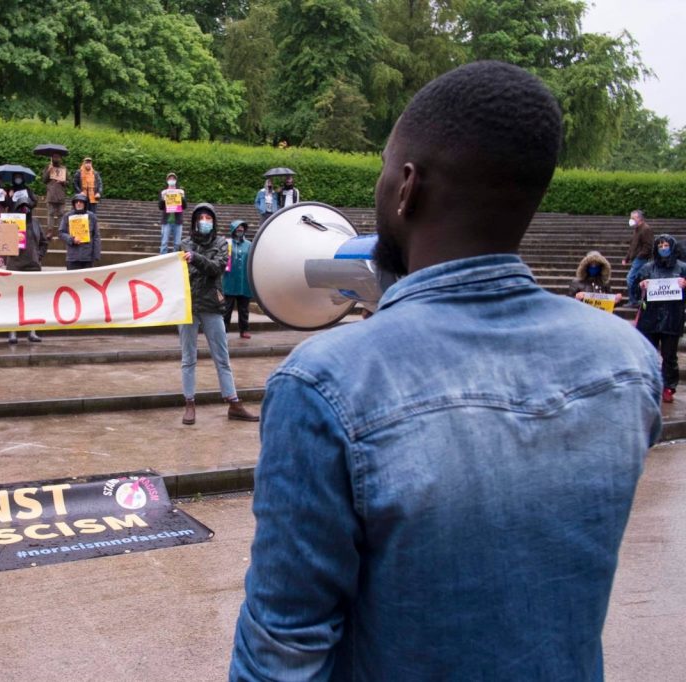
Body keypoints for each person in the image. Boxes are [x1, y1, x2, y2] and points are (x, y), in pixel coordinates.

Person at [231, 61, 662, 680]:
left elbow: (284, 654)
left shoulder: (324, 384)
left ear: (406, 187)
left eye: (384, 169)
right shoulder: (629, 359)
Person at [179, 204, 259, 426]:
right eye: (201, 217)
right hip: (188, 306)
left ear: (213, 221)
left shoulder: (222, 243)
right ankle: (189, 402)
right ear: (194, 221)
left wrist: (196, 258)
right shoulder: (185, 243)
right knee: (188, 357)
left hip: (212, 304)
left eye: (208, 217)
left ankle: (233, 402)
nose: (204, 221)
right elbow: (184, 272)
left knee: (221, 356)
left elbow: (217, 268)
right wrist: (197, 262)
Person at [636, 234, 686, 404]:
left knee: (669, 356)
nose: (663, 248)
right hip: (650, 318)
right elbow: (635, 293)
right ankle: (649, 385)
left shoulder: (682, 268)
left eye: (666, 245)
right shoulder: (647, 268)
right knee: (648, 354)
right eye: (660, 246)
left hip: (672, 318)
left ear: (672, 247)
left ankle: (668, 387)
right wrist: (641, 286)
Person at [5, 194, 49, 344]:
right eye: (21, 207)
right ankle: (12, 331)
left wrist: (39, 255)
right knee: (13, 300)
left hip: (33, 266)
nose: (25, 209)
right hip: (15, 265)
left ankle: (32, 330)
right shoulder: (10, 223)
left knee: (32, 300)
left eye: (27, 207)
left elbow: (44, 242)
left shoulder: (36, 223)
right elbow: (0, 240)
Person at [222, 219, 253, 338]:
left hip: (244, 281)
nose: (240, 229)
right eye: (238, 227)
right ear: (233, 229)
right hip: (230, 280)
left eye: (242, 227)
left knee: (244, 308)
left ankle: (244, 329)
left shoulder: (249, 245)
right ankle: (224, 330)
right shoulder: (226, 243)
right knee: (227, 308)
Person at [58, 193, 101, 270]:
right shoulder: (67, 216)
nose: (78, 203)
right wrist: (72, 239)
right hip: (72, 256)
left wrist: (96, 254)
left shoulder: (92, 216)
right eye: (76, 202)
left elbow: (96, 236)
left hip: (87, 256)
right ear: (74, 204)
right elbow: (61, 233)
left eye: (81, 202)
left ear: (85, 203)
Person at [622, 209, 653, 307]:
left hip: (641, 259)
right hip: (637, 258)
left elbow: (648, 246)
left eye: (633, 218)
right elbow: (632, 246)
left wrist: (639, 256)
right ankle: (636, 299)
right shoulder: (637, 229)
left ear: (639, 218)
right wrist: (627, 258)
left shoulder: (645, 229)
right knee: (635, 279)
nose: (630, 220)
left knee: (630, 278)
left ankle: (633, 300)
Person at [158, 172, 186, 254]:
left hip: (178, 220)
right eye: (170, 178)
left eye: (173, 178)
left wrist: (182, 198)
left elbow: (184, 206)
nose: (172, 180)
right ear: (167, 180)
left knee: (177, 243)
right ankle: (162, 259)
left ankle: (175, 259)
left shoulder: (180, 192)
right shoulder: (164, 192)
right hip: (166, 220)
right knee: (164, 242)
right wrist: (163, 199)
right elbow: (160, 207)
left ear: (176, 180)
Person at [42, 153, 69, 236]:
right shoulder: (48, 167)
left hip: (61, 195)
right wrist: (48, 171)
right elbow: (44, 180)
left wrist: (63, 182)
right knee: (50, 213)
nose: (56, 158)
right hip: (51, 194)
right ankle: (50, 231)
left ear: (60, 158)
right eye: (54, 157)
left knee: (61, 214)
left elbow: (68, 182)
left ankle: (61, 231)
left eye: (58, 157)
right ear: (52, 158)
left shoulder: (64, 169)